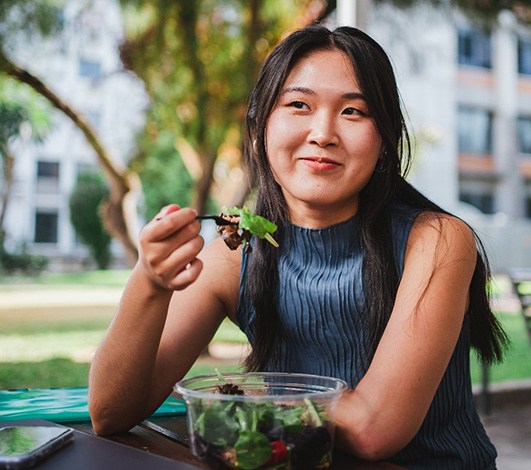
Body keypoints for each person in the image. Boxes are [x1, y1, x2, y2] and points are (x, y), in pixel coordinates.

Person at [88, 23, 508, 469]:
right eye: (298, 105)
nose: (323, 132)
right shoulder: (236, 258)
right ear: (259, 129)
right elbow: (111, 412)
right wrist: (150, 284)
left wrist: (253, 392)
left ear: (385, 141)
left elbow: (373, 430)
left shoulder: (437, 241)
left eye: (353, 112)